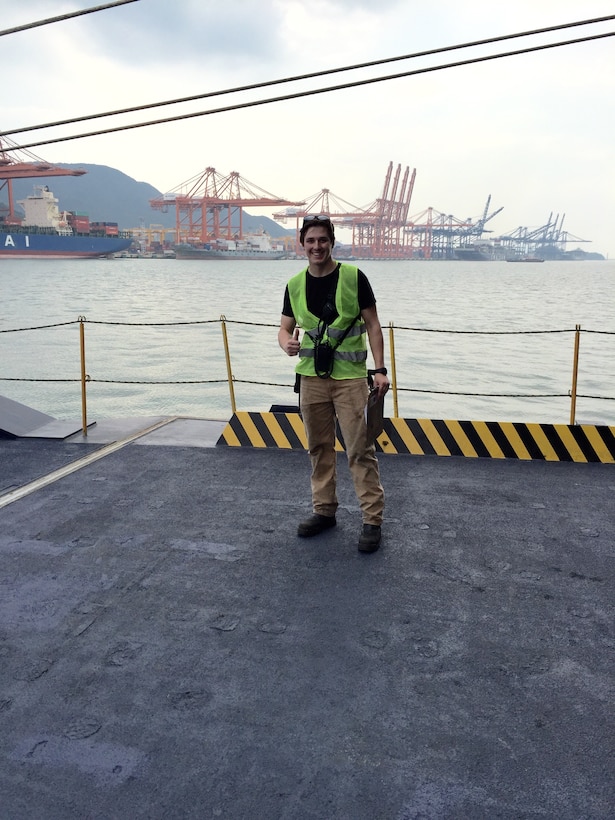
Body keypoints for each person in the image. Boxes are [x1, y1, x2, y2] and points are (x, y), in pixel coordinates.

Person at [278, 214, 390, 553]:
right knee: (318, 448)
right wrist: (286, 343)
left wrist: (381, 370)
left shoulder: (355, 277)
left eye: (322, 240)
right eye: (310, 241)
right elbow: (284, 329)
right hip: (311, 379)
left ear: (332, 242)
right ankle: (324, 511)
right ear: (302, 244)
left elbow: (372, 325)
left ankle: (372, 520)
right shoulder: (294, 285)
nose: (316, 246)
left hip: (351, 380)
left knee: (359, 449)